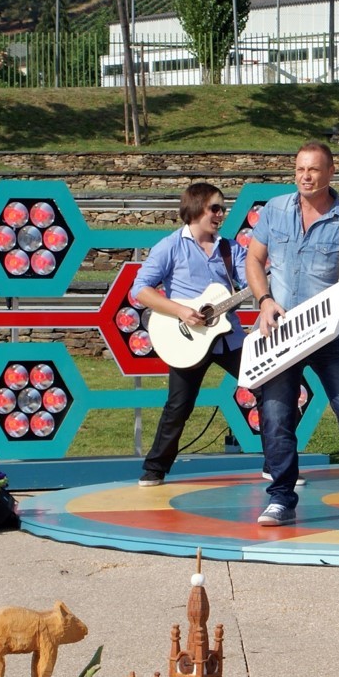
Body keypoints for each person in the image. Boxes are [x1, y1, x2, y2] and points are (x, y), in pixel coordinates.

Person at [245, 140, 339, 528]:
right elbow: (254, 259)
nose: (306, 176)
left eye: (313, 169)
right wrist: (264, 300)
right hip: (282, 331)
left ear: (331, 172)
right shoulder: (274, 210)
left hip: (331, 334)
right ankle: (281, 499)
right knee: (276, 415)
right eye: (300, 169)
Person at [131, 182, 248, 487]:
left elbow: (253, 281)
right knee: (179, 406)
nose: (221, 214)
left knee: (266, 388)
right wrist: (181, 311)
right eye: (215, 208)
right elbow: (140, 289)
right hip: (187, 339)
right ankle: (154, 469)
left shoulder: (231, 248)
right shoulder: (170, 246)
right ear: (196, 208)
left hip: (229, 337)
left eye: (222, 208)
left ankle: (279, 466)